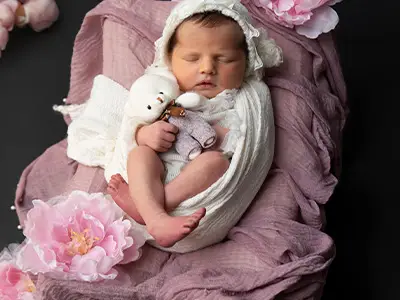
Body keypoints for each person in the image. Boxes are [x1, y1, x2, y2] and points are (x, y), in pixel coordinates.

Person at [107, 9, 250, 248]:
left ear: (246, 61)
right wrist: (144, 134)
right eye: (193, 58)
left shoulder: (241, 99)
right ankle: (156, 217)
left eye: (224, 59)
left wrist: (221, 135)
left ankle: (150, 210)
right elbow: (131, 122)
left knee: (217, 163)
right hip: (157, 170)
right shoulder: (162, 88)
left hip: (195, 178)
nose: (207, 68)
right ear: (170, 59)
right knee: (139, 154)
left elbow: (249, 143)